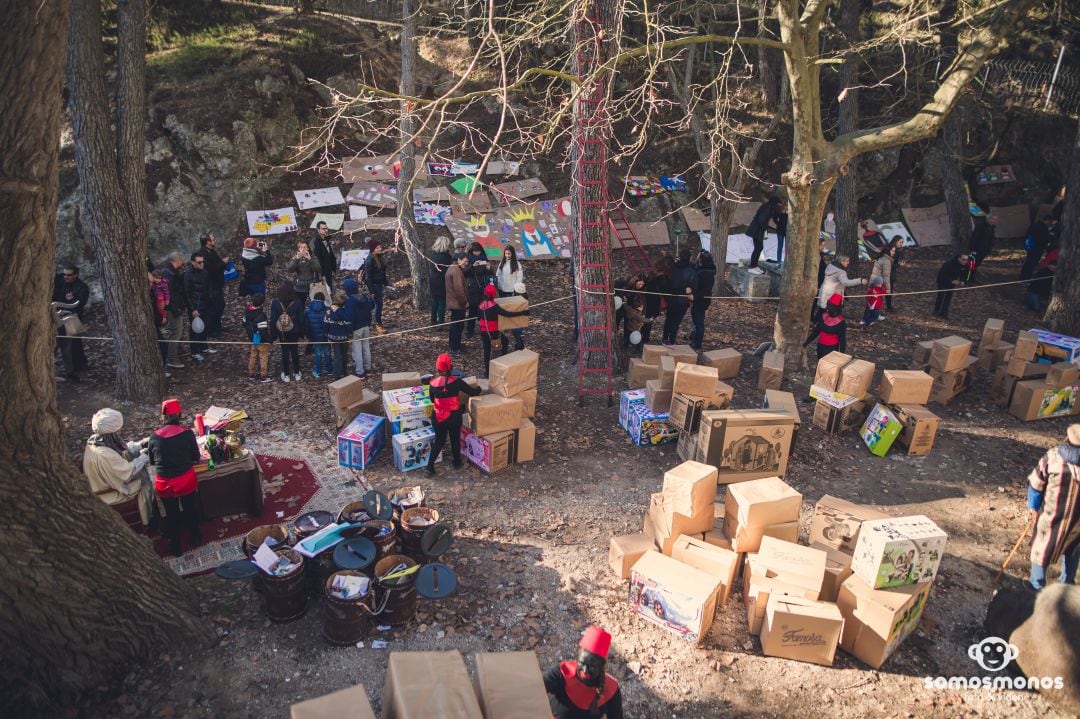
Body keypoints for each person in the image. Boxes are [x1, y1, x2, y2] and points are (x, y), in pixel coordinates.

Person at [1027, 424, 1080, 591]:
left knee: (1043, 547)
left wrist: (1033, 507)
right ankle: (1067, 584)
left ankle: (1037, 586)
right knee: (1073, 549)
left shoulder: (1053, 457)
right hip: (1077, 520)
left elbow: (1036, 484)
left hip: (1051, 516)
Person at [148, 398, 201, 556]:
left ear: (163, 416)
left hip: (165, 483)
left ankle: (176, 546)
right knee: (190, 507)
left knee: (171, 514)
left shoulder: (154, 437)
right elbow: (195, 457)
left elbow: (152, 461)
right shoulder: (187, 434)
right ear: (179, 414)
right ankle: (195, 536)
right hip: (185, 480)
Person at [83, 408, 153, 526]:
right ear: (111, 434)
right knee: (146, 482)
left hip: (103, 485)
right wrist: (144, 456)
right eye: (117, 431)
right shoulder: (104, 455)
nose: (119, 433)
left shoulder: (94, 442)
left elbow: (120, 452)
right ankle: (148, 521)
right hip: (108, 495)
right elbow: (129, 472)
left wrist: (139, 445)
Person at [544, 625, 624, 719]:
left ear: (602, 667)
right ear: (577, 658)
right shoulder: (561, 674)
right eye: (582, 663)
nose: (585, 670)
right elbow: (535, 689)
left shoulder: (611, 691)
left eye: (592, 667)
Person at [425, 353, 482, 475]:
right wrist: (479, 389)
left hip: (438, 416)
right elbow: (472, 392)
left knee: (439, 441)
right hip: (454, 416)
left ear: (437, 368)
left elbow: (431, 400)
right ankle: (456, 462)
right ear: (451, 367)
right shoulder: (457, 382)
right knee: (454, 438)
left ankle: (430, 467)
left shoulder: (432, 384)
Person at [476, 284, 529, 377]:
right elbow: (508, 314)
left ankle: (487, 372)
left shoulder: (480, 305)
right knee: (505, 341)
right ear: (493, 294)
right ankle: (502, 362)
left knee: (486, 349)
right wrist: (522, 313)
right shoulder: (495, 307)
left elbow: (478, 317)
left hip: (483, 330)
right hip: (493, 331)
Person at [53, 264, 90, 382]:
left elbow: (79, 304)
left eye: (69, 275)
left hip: (72, 317)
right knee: (55, 344)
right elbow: (55, 297)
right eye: (64, 274)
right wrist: (65, 298)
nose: (66, 277)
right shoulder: (59, 280)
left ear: (76, 275)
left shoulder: (81, 287)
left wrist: (69, 300)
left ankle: (73, 370)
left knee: (72, 345)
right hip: (56, 316)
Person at [269, 284, 304, 382]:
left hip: (281, 331)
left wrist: (273, 336)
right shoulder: (297, 302)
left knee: (284, 351)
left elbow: (273, 320)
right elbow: (301, 318)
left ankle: (286, 374)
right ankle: (297, 372)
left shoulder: (275, 303)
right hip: (295, 330)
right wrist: (302, 333)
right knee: (294, 350)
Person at [663, 247, 696, 344]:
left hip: (673, 298)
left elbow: (667, 283)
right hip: (682, 300)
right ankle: (671, 339)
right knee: (676, 321)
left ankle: (666, 338)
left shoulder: (673, 268)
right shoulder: (691, 271)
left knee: (669, 319)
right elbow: (694, 285)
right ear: (689, 258)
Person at [183, 251, 211, 362]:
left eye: (203, 262)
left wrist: (210, 300)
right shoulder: (187, 275)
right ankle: (195, 351)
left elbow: (208, 287)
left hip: (205, 304)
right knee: (195, 330)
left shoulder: (204, 272)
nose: (202, 264)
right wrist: (193, 309)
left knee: (205, 327)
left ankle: (204, 347)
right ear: (193, 263)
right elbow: (186, 293)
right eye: (199, 262)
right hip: (195, 306)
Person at [199, 232, 229, 336]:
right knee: (214, 307)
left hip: (217, 284)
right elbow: (211, 269)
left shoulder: (212, 251)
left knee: (220, 305)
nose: (214, 241)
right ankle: (212, 330)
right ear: (207, 242)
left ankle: (217, 327)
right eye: (213, 239)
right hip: (211, 286)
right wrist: (223, 262)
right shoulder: (203, 254)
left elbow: (217, 262)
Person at [496, 246, 525, 350]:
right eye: (506, 254)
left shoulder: (517, 264)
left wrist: (515, 289)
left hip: (511, 291)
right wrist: (498, 286)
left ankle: (517, 336)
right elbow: (498, 276)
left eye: (509, 254)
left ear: (512, 253)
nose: (507, 255)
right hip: (502, 290)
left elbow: (519, 278)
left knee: (512, 312)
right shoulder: (502, 263)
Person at [162, 252, 188, 369]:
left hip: (175, 306)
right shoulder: (170, 275)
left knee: (178, 331)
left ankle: (178, 350)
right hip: (172, 309)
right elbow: (171, 294)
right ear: (177, 260)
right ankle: (172, 357)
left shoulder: (170, 272)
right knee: (175, 332)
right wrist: (176, 309)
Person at [344, 278, 374, 377]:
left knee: (357, 351)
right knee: (366, 348)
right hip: (365, 326)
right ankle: (368, 368)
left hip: (356, 329)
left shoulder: (350, 302)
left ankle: (360, 372)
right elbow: (371, 307)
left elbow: (349, 317)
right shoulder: (364, 298)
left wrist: (349, 331)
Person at [746, 196, 782, 274]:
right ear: (774, 204)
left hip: (759, 230)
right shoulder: (767, 208)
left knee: (759, 248)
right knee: (758, 248)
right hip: (756, 230)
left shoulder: (770, 208)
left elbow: (774, 217)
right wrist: (768, 227)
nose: (779, 207)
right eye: (778, 205)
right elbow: (761, 221)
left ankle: (754, 265)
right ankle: (752, 267)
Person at [464, 241, 493, 339]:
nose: (477, 253)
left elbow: (490, 275)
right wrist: (473, 266)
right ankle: (469, 331)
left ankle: (483, 330)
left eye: (478, 251)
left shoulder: (484, 257)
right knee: (472, 311)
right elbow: (464, 272)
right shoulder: (468, 258)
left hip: (483, 288)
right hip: (472, 287)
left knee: (483, 311)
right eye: (475, 252)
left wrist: (489, 268)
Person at [242, 293, 272, 383]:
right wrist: (269, 340)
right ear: (262, 304)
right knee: (263, 356)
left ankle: (251, 374)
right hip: (261, 340)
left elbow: (243, 323)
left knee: (253, 355)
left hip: (252, 338)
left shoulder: (247, 312)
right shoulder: (261, 315)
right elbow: (263, 331)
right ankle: (263, 376)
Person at [805, 294, 847, 358]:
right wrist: (806, 342)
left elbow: (842, 340)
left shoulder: (841, 322)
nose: (827, 308)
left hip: (832, 349)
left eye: (830, 306)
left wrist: (841, 354)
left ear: (836, 308)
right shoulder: (824, 316)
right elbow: (816, 331)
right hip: (820, 346)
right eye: (828, 305)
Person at [363, 237, 390, 333]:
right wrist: (372, 291)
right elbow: (368, 277)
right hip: (374, 285)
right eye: (377, 248)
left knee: (372, 304)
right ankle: (378, 324)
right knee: (379, 304)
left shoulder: (379, 256)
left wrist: (385, 282)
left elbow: (382, 271)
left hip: (379, 284)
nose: (380, 249)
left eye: (380, 247)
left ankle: (364, 317)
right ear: (373, 249)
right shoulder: (369, 260)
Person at [933, 253, 972, 319]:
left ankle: (944, 313)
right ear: (959, 258)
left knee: (948, 296)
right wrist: (951, 280)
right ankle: (936, 311)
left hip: (952, 283)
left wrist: (963, 281)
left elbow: (965, 275)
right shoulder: (949, 264)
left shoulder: (965, 265)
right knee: (941, 296)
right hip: (943, 281)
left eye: (966, 260)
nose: (965, 261)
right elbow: (942, 275)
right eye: (963, 259)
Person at [1020, 215, 1057, 281]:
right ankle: (1025, 278)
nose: (1050, 223)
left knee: (1029, 263)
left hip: (1031, 247)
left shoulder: (1034, 225)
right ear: (1047, 220)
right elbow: (1043, 239)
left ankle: (1024, 277)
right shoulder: (1042, 228)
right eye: (1050, 222)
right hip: (1037, 248)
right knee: (1031, 264)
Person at [445, 252, 470, 353]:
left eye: (467, 262)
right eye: (465, 261)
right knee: (458, 326)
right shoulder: (456, 271)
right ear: (459, 259)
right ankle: (455, 347)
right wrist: (465, 302)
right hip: (457, 304)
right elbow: (459, 289)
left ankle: (453, 344)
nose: (466, 263)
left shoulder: (453, 267)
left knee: (454, 325)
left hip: (453, 302)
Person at [325, 290, 352, 379]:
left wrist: (327, 334)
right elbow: (348, 323)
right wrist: (350, 333)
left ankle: (337, 374)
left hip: (333, 337)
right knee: (344, 354)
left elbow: (326, 324)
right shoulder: (344, 312)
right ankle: (343, 371)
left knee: (337, 355)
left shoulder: (328, 311)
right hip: (344, 337)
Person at [305, 291, 330, 378]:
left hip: (314, 336)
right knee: (327, 352)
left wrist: (309, 336)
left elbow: (307, 326)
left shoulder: (308, 311)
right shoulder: (327, 310)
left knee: (318, 353)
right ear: (323, 300)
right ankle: (329, 369)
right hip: (325, 336)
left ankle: (318, 371)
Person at [149, 268, 170, 374]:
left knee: (163, 346)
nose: (150, 284)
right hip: (152, 323)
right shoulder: (151, 292)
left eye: (151, 282)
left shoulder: (154, 291)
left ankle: (163, 367)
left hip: (157, 321)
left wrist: (162, 317)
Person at [429, 236, 453, 325]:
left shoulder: (433, 254)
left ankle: (433, 320)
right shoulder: (445, 257)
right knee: (442, 302)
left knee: (435, 301)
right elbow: (446, 271)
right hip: (441, 281)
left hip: (433, 279)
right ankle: (440, 322)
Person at [1025, 247, 1057, 312]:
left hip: (1048, 290)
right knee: (1036, 308)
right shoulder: (1043, 272)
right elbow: (1044, 263)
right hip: (1036, 290)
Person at [286, 240, 319, 305]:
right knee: (300, 305)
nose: (303, 249)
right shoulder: (295, 258)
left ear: (308, 248)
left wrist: (310, 260)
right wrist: (297, 259)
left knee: (314, 304)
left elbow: (318, 269)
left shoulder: (313, 257)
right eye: (301, 248)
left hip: (312, 285)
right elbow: (290, 269)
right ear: (298, 249)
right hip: (300, 286)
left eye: (305, 247)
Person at [311, 221, 337, 293]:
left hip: (329, 270)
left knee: (330, 290)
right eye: (323, 229)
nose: (326, 230)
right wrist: (322, 274)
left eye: (326, 228)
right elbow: (317, 259)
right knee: (325, 292)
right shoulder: (316, 242)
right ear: (318, 230)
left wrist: (333, 268)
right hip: (323, 273)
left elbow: (330, 255)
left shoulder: (326, 239)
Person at [870, 244, 895, 317]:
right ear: (888, 251)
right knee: (877, 300)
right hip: (879, 282)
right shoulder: (886, 261)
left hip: (875, 280)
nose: (894, 253)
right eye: (893, 251)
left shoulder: (881, 257)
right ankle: (872, 316)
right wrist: (888, 289)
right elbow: (886, 276)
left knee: (875, 299)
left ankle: (874, 314)